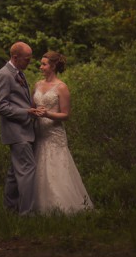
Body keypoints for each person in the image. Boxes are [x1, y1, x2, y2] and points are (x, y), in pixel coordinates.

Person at [32, 50, 93, 214]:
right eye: (42, 64)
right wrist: (33, 112)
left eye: (44, 64)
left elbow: (65, 115)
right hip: (39, 133)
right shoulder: (37, 85)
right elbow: (33, 107)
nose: (41, 67)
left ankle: (62, 208)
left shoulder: (62, 87)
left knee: (56, 168)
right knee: (40, 168)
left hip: (54, 134)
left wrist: (47, 114)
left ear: (52, 66)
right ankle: (39, 208)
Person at [0, 41, 41, 215]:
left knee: (14, 174)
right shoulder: (4, 75)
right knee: (28, 170)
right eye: (27, 59)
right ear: (15, 57)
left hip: (24, 130)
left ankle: (10, 210)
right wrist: (27, 112)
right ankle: (27, 214)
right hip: (17, 132)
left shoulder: (18, 72)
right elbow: (0, 107)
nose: (29, 62)